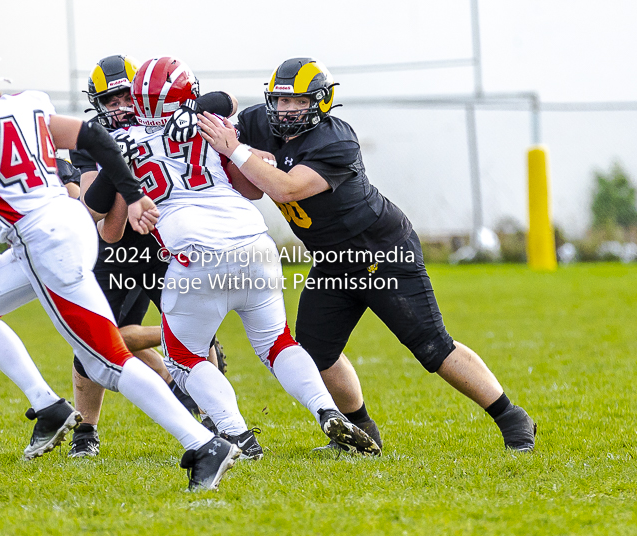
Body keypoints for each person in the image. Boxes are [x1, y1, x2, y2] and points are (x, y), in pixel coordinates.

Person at [0, 38, 239, 490]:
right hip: (62, 224)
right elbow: (94, 136)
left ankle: (203, 444)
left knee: (106, 361)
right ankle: (49, 406)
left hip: (40, 238)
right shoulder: (24, 104)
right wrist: (133, 195)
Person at [197, 57, 537, 452]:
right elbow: (224, 113)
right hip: (332, 260)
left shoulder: (335, 140)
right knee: (312, 352)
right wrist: (207, 105)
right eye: (280, 102)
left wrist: (238, 151)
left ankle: (513, 418)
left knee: (432, 347)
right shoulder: (261, 122)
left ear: (321, 102)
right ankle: (361, 433)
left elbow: (287, 188)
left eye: (298, 102)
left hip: (382, 254)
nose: (287, 111)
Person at [90, 55, 381, 459]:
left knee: (184, 358)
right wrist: (194, 115)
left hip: (195, 256)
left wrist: (123, 178)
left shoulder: (121, 143)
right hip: (253, 242)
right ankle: (325, 408)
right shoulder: (211, 121)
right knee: (277, 342)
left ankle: (239, 436)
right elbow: (245, 173)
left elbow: (102, 218)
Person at [68, 54, 232, 457]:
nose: (122, 107)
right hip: (117, 252)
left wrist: (182, 111)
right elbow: (103, 219)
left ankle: (219, 420)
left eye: (127, 96)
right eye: (111, 100)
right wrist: (125, 169)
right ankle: (85, 432)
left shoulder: (162, 119)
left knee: (199, 338)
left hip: (167, 243)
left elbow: (223, 100)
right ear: (97, 105)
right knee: (91, 341)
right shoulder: (92, 141)